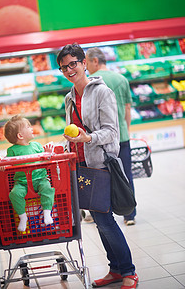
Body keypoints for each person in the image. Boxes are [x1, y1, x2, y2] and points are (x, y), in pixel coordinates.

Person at [57, 43, 138, 289]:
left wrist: (87, 138)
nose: (70, 69)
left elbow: (111, 132)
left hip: (101, 164)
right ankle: (115, 269)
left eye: (73, 63)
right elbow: (72, 132)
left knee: (105, 221)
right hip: (81, 166)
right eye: (64, 67)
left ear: (84, 63)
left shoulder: (102, 92)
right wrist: (65, 147)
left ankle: (129, 271)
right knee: (99, 220)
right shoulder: (69, 98)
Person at [86, 47, 136, 226]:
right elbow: (128, 109)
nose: (86, 67)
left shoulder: (91, 82)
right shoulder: (121, 79)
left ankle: (97, 213)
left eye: (87, 62)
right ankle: (129, 214)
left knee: (98, 176)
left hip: (100, 139)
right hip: (121, 135)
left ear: (95, 61)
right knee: (125, 174)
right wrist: (125, 130)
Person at [2, 115, 55, 232]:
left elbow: (46, 160)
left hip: (41, 178)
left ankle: (47, 213)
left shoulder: (36, 145)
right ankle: (23, 217)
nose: (32, 128)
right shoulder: (12, 150)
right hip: (22, 182)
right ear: (20, 136)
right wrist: (2, 165)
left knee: (48, 189)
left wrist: (48, 153)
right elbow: (7, 162)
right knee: (14, 194)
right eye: (28, 126)